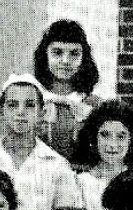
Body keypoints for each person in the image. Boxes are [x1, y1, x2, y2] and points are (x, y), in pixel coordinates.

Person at [0, 74, 82, 210]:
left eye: (30, 105)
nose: (21, 112)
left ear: (42, 112)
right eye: (12, 105)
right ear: (1, 111)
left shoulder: (57, 165)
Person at [28, 19, 102, 160]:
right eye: (57, 52)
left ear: (84, 58)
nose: (66, 61)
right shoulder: (31, 100)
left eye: (74, 54)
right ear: (45, 55)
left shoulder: (94, 105)